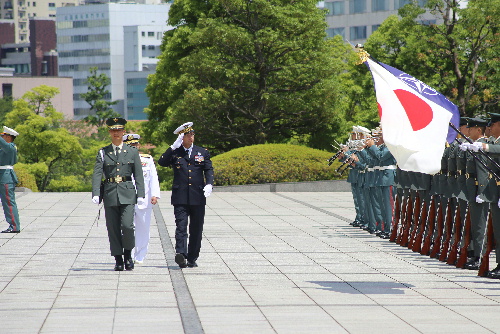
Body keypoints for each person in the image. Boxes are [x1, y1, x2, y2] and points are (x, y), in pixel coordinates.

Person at [92, 118, 145, 271]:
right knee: (113, 228)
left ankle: (128, 255)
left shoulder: (132, 151)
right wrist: (96, 192)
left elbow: (138, 175)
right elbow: (97, 174)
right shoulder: (103, 152)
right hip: (110, 193)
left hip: (128, 193)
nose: (116, 133)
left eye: (119, 130)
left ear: (123, 132)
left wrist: (140, 194)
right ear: (109, 132)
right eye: (113, 130)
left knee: (127, 226)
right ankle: (118, 258)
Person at [158, 122, 214, 268]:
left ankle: (192, 257)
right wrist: (172, 147)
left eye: (192, 134)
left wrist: (209, 183)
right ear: (181, 137)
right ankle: (181, 254)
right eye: (187, 135)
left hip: (197, 196)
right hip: (180, 196)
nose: (191, 137)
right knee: (181, 227)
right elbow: (162, 162)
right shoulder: (175, 152)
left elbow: (208, 169)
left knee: (196, 228)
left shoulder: (202, 152)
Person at [122, 133, 161, 264]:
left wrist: (155, 194)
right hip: (127, 198)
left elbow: (153, 178)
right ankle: (129, 254)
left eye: (135, 144)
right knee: (128, 227)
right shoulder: (121, 159)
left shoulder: (147, 159)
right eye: (131, 144)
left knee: (143, 227)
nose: (134, 146)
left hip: (144, 200)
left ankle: (141, 254)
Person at [0, 126, 20, 233]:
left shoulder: (10, 147)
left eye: (3, 136)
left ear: (8, 137)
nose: (2, 138)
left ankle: (14, 226)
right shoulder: (6, 148)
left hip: (6, 177)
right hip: (3, 176)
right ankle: (13, 225)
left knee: (8, 202)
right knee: (6, 202)